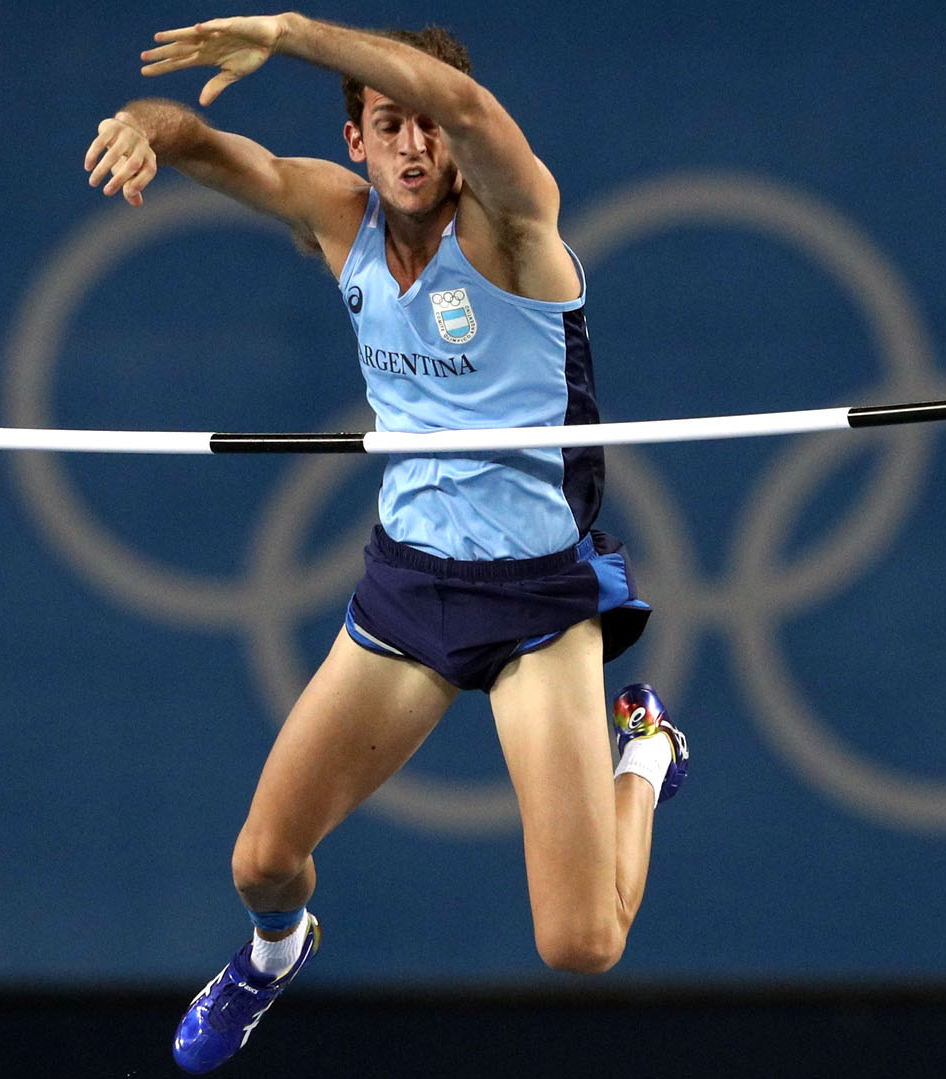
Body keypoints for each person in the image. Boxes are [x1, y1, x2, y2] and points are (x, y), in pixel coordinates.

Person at [83, 14, 690, 1073]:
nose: (417, 145)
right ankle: (276, 956)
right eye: (388, 126)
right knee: (264, 859)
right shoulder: (336, 216)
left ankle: (648, 751)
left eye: (429, 128)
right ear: (357, 141)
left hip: (537, 603)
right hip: (408, 590)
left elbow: (459, 101)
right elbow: (203, 143)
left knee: (581, 941)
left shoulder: (514, 227)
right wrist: (142, 125)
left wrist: (286, 30)